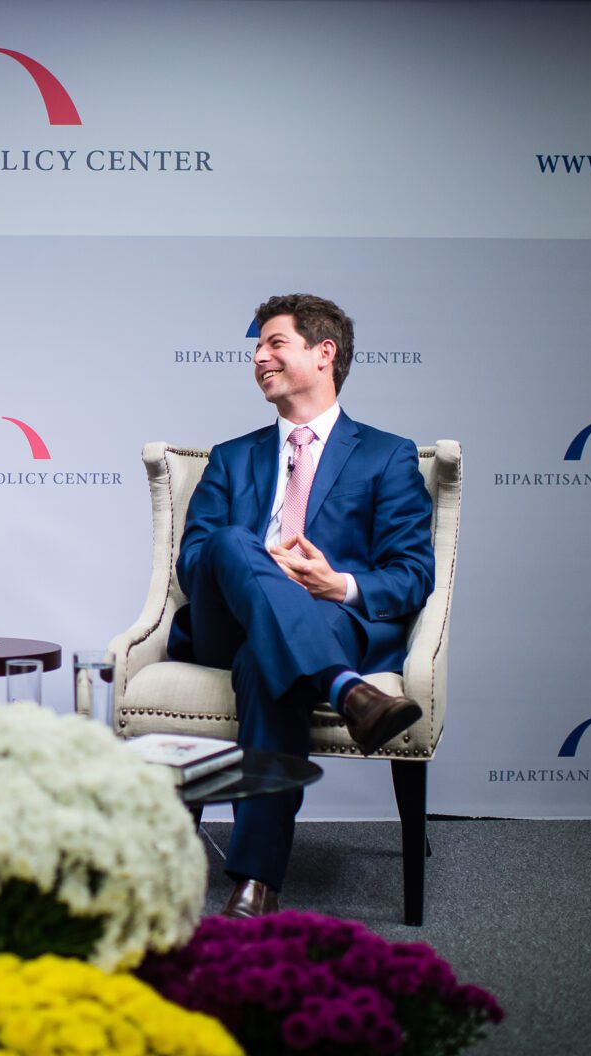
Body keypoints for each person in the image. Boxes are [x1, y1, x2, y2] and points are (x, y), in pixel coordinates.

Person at [168, 293, 433, 918]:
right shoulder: (231, 457)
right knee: (231, 542)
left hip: (327, 618)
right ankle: (345, 688)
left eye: (274, 343)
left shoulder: (386, 455)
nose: (259, 357)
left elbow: (412, 574)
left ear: (324, 353)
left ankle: (256, 885)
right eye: (257, 347)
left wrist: (336, 584)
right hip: (224, 624)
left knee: (268, 663)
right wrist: (260, 565)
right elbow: (194, 562)